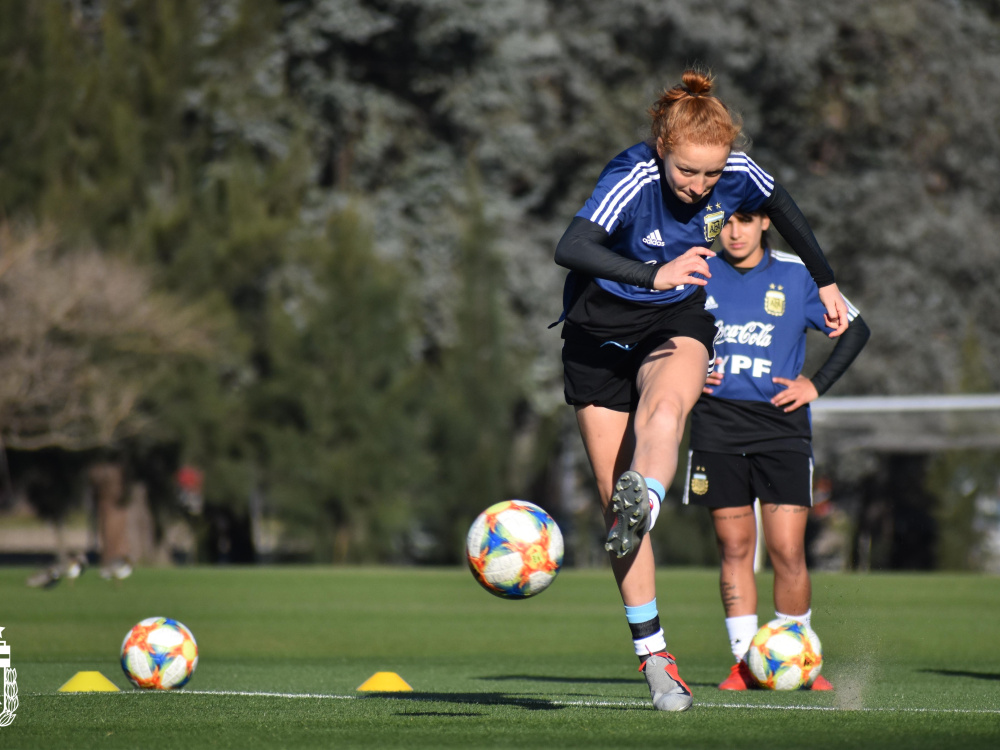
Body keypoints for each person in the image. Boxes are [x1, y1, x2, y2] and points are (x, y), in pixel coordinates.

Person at [553, 68, 850, 712]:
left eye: (712, 173)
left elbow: (784, 206)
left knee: (666, 408)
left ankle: (649, 497)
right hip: (596, 336)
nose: (700, 185)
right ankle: (655, 656)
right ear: (662, 148)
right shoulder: (632, 174)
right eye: (688, 171)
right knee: (613, 507)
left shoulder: (736, 171)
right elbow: (571, 247)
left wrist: (825, 280)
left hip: (675, 318)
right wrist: (653, 273)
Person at [684, 208, 870, 690]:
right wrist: (688, 373)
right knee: (734, 548)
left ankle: (801, 659)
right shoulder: (696, 270)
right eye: (726, 222)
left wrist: (816, 384)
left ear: (766, 221)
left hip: (781, 428)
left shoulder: (798, 274)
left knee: (787, 549)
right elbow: (655, 334)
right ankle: (744, 664)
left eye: (746, 220)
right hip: (716, 425)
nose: (735, 231)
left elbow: (856, 328)